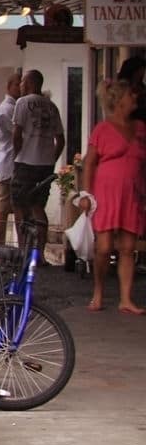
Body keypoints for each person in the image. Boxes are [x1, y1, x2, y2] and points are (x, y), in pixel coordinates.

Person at [77, 78, 146, 313]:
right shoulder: (102, 129)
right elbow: (89, 163)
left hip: (132, 193)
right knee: (104, 247)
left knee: (127, 247)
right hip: (106, 193)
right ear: (119, 101)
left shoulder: (140, 127)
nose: (135, 97)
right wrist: (85, 194)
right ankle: (98, 292)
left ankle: (125, 299)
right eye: (130, 94)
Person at [11, 68, 64, 256]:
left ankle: (22, 250)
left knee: (19, 204)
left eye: (23, 81)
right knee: (38, 206)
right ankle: (39, 253)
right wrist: (51, 158)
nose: (21, 85)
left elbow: (17, 134)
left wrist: (16, 154)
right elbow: (61, 140)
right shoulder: (52, 106)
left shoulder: (22, 103)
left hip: (25, 162)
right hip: (45, 165)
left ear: (30, 83)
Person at [0, 71, 20, 248]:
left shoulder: (18, 106)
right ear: (9, 86)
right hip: (8, 162)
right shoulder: (5, 110)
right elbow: (17, 134)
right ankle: (0, 244)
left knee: (18, 206)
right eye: (17, 84)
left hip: (16, 163)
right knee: (3, 206)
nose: (20, 88)